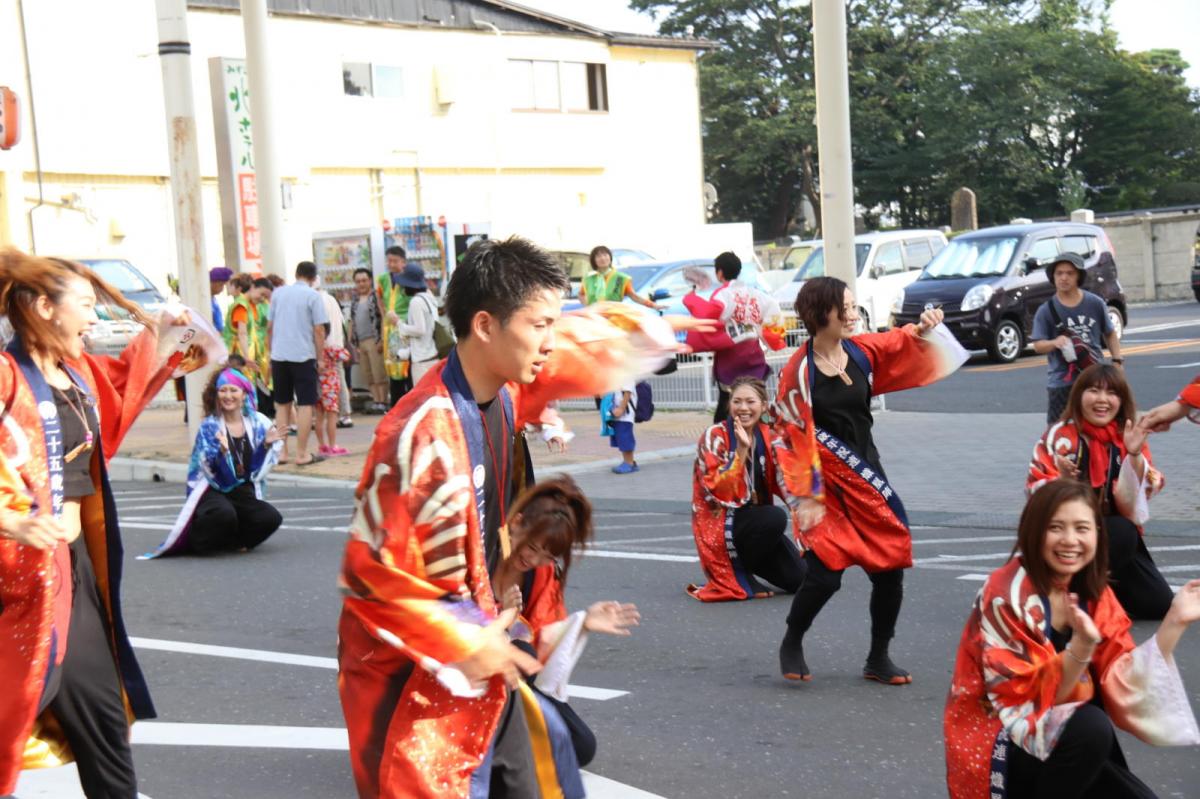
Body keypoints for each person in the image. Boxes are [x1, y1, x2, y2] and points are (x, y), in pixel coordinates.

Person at [336, 236, 698, 799]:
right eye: (538, 326)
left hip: (478, 650)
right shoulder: (420, 433)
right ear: (485, 325)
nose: (550, 343)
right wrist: (464, 639)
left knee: (547, 759)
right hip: (413, 672)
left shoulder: (502, 392)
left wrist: (637, 330)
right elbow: (372, 577)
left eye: (554, 324)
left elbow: (574, 349)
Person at [0, 250, 206, 798]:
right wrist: (9, 522)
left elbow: (118, 399)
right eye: (85, 306)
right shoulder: (5, 376)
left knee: (104, 721)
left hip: (70, 577)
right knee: (11, 715)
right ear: (45, 307)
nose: (94, 319)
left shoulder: (77, 372)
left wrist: (162, 335)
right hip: (15, 588)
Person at [943, 479, 1200, 799]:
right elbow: (1024, 702)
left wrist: (1174, 622)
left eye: (1082, 528)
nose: (1070, 540)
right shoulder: (1004, 594)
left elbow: (1122, 680)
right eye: (1056, 527)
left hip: (1068, 736)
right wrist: (1080, 649)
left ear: (1097, 534)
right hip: (1003, 736)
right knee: (1090, 726)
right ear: (1033, 532)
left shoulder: (1093, 591)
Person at [773, 276, 961, 684]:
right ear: (822, 313)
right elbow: (788, 433)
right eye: (846, 306)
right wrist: (805, 496)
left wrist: (924, 327)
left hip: (867, 474)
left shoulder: (859, 351)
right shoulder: (799, 370)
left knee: (890, 567)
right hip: (824, 487)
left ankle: (878, 657)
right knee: (825, 574)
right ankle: (792, 639)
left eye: (854, 305)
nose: (853, 313)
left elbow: (899, 340)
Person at [490, 477, 640, 796]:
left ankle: (506, 740)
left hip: (517, 683)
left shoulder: (541, 572)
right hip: (474, 673)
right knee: (519, 653)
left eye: (546, 555)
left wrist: (582, 623)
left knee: (580, 745)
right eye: (530, 546)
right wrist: (500, 621)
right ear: (516, 524)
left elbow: (543, 640)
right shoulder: (483, 552)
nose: (533, 560)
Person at [1028, 363, 1173, 620]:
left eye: (1112, 393)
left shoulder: (1126, 435)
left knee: (1159, 603)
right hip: (1066, 538)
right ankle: (1067, 598)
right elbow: (1034, 491)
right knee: (1120, 530)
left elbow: (1151, 485)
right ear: (1079, 394)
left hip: (1112, 545)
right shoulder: (1060, 435)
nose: (1102, 400)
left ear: (1122, 399)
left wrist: (1134, 455)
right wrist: (1061, 483)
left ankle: (1097, 591)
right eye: (1094, 390)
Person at [142, 363, 284, 557]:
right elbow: (216, 476)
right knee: (223, 513)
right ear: (216, 395)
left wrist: (265, 447)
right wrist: (223, 454)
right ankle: (199, 542)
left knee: (270, 517)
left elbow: (255, 473)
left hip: (241, 489)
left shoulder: (259, 424)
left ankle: (234, 541)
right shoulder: (210, 426)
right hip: (210, 488)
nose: (228, 396)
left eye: (233, 390)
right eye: (222, 390)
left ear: (244, 394)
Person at [688, 376, 806, 602]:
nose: (743, 408)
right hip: (721, 523)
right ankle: (741, 575)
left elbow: (789, 481)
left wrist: (809, 511)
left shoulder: (770, 436)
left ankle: (750, 563)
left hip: (756, 525)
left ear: (763, 406)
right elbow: (720, 491)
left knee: (800, 579)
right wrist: (741, 450)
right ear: (729, 404)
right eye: (737, 401)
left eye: (750, 402)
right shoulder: (714, 436)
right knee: (774, 517)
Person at [682, 251, 777, 423]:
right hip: (754, 356)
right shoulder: (756, 294)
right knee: (756, 400)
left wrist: (691, 300)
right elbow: (772, 316)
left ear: (719, 273)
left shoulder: (722, 295)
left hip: (730, 358)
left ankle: (722, 441)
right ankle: (763, 436)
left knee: (727, 404)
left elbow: (708, 317)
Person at [1031, 252, 1123, 423]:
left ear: (1079, 276)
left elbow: (1110, 333)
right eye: (1059, 273)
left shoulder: (1095, 303)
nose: (1064, 278)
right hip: (1061, 381)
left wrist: (1117, 361)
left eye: (1069, 273)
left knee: (1100, 427)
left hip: (1094, 377)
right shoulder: (1046, 310)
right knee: (1058, 432)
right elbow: (1038, 345)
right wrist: (1054, 342)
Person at [268, 261, 329, 466]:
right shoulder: (313, 296)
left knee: (282, 404)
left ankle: (282, 452)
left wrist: (270, 352)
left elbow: (270, 326)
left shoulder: (278, 293)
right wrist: (320, 358)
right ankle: (302, 454)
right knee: (305, 405)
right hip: (303, 355)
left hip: (279, 355)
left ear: (296, 274)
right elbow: (319, 330)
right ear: (313, 278)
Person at [226, 275, 274, 418]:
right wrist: (246, 359)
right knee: (241, 392)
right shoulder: (242, 306)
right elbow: (242, 333)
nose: (263, 298)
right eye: (262, 294)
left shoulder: (252, 305)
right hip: (239, 357)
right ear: (253, 287)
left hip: (248, 357)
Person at [316, 280, 351, 457]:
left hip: (318, 387)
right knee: (332, 416)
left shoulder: (316, 351)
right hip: (331, 389)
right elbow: (346, 356)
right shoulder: (332, 349)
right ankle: (332, 445)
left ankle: (321, 445)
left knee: (319, 417)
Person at [349, 267, 388, 413]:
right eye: (358, 281)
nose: (361, 284)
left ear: (370, 281)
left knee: (379, 373)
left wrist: (382, 339)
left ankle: (383, 401)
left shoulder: (375, 296)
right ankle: (375, 400)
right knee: (368, 374)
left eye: (364, 280)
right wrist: (352, 343)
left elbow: (384, 317)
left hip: (374, 339)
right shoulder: (355, 299)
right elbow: (352, 321)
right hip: (360, 342)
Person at [378, 245, 413, 405]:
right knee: (393, 368)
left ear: (403, 262)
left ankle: (409, 404)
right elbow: (379, 296)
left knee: (407, 368)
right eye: (389, 261)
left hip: (405, 328)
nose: (391, 264)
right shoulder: (383, 279)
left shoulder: (409, 279)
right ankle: (396, 405)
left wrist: (401, 318)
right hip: (389, 330)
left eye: (395, 261)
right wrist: (384, 312)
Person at [394, 262, 439, 385]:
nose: (403, 289)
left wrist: (398, 323)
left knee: (423, 401)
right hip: (433, 357)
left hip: (421, 362)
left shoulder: (416, 302)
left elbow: (420, 330)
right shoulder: (430, 299)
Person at [578, 245, 659, 309]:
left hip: (614, 317)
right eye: (598, 256)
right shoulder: (588, 280)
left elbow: (634, 297)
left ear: (610, 257)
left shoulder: (622, 278)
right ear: (594, 260)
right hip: (595, 318)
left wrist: (652, 305)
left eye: (605, 255)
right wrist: (588, 306)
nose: (602, 258)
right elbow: (581, 294)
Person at [601, 382, 638, 474]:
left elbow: (627, 392)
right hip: (616, 412)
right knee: (621, 438)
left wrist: (621, 408)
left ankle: (629, 463)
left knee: (625, 437)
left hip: (626, 414)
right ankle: (628, 461)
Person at [209, 266, 233, 330]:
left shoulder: (214, 300)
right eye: (221, 285)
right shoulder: (205, 301)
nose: (222, 289)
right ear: (212, 283)